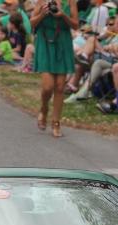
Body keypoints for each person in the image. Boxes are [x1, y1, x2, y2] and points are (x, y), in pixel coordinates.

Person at [30, 0, 79, 137]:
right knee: (47, 86)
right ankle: (44, 109)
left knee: (59, 87)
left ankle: (56, 122)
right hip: (45, 42)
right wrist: (42, 15)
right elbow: (32, 23)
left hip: (63, 43)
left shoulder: (70, 2)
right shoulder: (42, 1)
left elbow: (75, 25)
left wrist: (63, 15)